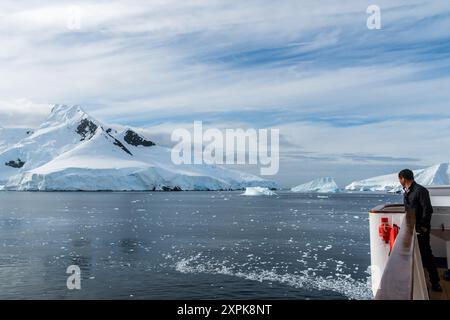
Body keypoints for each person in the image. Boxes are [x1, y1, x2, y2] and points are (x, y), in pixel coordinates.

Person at [398, 169, 442, 292]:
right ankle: (413, 282)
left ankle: (435, 282)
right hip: (410, 227)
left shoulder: (420, 190)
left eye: (399, 179)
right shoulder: (407, 191)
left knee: (427, 255)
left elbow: (428, 210)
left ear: (403, 178)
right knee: (410, 254)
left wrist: (423, 226)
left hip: (420, 229)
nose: (399, 182)